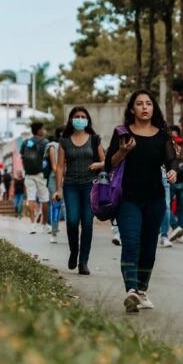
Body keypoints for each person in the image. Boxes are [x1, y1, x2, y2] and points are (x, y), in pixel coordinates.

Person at [105, 89, 182, 313]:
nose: (145, 107)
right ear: (132, 109)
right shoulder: (122, 133)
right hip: (128, 198)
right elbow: (110, 164)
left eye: (148, 103)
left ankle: (141, 289)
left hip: (155, 199)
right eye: (140, 104)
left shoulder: (162, 136)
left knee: (148, 247)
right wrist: (122, 152)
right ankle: (130, 290)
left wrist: (174, 172)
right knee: (130, 242)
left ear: (153, 108)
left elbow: (173, 160)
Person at [55, 107, 105, 275]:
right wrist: (57, 189)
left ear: (87, 120)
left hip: (90, 185)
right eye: (77, 116)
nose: (80, 119)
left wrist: (98, 164)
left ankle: (83, 261)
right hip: (70, 185)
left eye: (83, 116)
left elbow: (105, 161)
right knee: (72, 221)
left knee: (88, 223)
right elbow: (60, 166)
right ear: (71, 119)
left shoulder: (94, 139)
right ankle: (74, 251)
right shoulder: (64, 141)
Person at [20, 122, 50, 234]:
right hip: (40, 173)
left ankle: (32, 225)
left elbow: (22, 157)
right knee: (45, 199)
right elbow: (48, 157)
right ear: (38, 130)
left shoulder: (25, 142)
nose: (43, 131)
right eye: (42, 129)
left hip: (28, 174)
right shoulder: (44, 142)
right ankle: (45, 224)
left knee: (31, 199)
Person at [47, 129, 64, 244]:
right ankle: (54, 232)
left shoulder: (73, 145)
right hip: (55, 179)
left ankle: (72, 232)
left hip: (70, 178)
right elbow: (54, 166)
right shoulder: (53, 147)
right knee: (56, 205)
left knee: (70, 207)